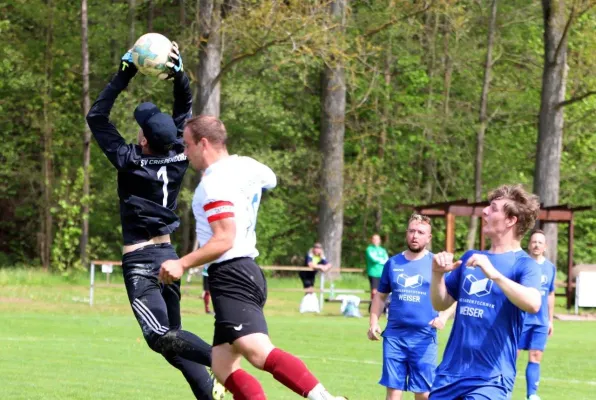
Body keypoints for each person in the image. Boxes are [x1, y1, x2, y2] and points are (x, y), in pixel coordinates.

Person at [159, 116, 347, 400]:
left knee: (258, 352)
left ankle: (325, 398)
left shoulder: (213, 185)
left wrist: (181, 263)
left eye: (187, 145)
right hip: (245, 271)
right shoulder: (245, 166)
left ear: (204, 143)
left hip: (231, 272)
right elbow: (270, 179)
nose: (185, 152)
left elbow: (224, 238)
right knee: (222, 365)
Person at [86, 44, 223, 399]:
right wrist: (179, 75)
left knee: (159, 337)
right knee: (174, 342)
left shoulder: (129, 160)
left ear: (144, 139)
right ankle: (215, 391)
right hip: (169, 258)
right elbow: (185, 107)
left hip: (142, 264)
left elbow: (97, 117)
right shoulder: (180, 152)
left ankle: (224, 361)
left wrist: (125, 72)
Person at [429, 184, 542, 400]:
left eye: (493, 208)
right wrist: (436, 275)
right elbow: (440, 304)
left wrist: (495, 274)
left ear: (511, 220)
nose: (485, 212)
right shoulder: (471, 257)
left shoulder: (525, 265)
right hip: (450, 374)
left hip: (491, 379)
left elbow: (533, 302)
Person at [368, 214, 455, 400]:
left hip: (424, 337)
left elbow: (454, 297)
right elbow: (380, 296)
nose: (415, 236)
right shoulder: (392, 263)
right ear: (406, 233)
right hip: (394, 336)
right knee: (393, 393)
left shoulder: (437, 265)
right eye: (412, 231)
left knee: (424, 394)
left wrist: (443, 317)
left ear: (429, 238)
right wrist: (373, 321)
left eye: (421, 232)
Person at [518, 229, 556, 400]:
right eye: (534, 241)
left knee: (536, 356)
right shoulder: (521, 264)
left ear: (545, 246)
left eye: (540, 242)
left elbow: (550, 294)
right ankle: (502, 389)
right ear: (528, 244)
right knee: (513, 355)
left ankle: (531, 395)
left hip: (540, 321)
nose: (536, 245)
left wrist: (550, 320)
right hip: (521, 319)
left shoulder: (550, 268)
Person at [365, 234, 389, 310]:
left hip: (382, 273)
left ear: (379, 240)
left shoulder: (382, 250)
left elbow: (386, 259)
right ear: (372, 240)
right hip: (373, 273)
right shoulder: (369, 249)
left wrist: (381, 261)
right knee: (374, 291)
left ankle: (383, 307)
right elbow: (373, 259)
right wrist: (381, 260)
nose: (376, 240)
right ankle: (372, 307)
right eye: (374, 239)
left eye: (377, 239)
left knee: (383, 291)